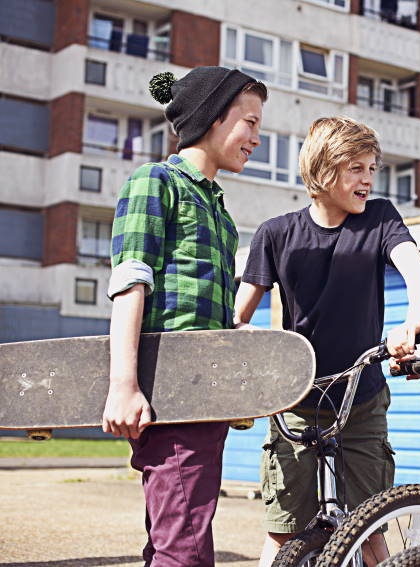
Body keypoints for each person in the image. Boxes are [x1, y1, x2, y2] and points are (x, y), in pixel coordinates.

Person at [233, 116, 420, 567]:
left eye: (372, 168)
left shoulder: (380, 219)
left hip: (361, 400)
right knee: (282, 532)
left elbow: (416, 270)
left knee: (371, 529)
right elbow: (238, 316)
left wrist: (411, 324)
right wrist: (248, 342)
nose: (368, 179)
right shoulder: (277, 233)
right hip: (296, 401)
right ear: (323, 173)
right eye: (355, 168)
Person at [104, 67, 268, 566]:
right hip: (171, 394)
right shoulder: (156, 182)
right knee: (186, 549)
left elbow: (209, 312)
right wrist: (123, 385)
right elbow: (131, 282)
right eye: (250, 123)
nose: (256, 139)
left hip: (204, 395)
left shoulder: (219, 210)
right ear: (213, 119)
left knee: (174, 539)